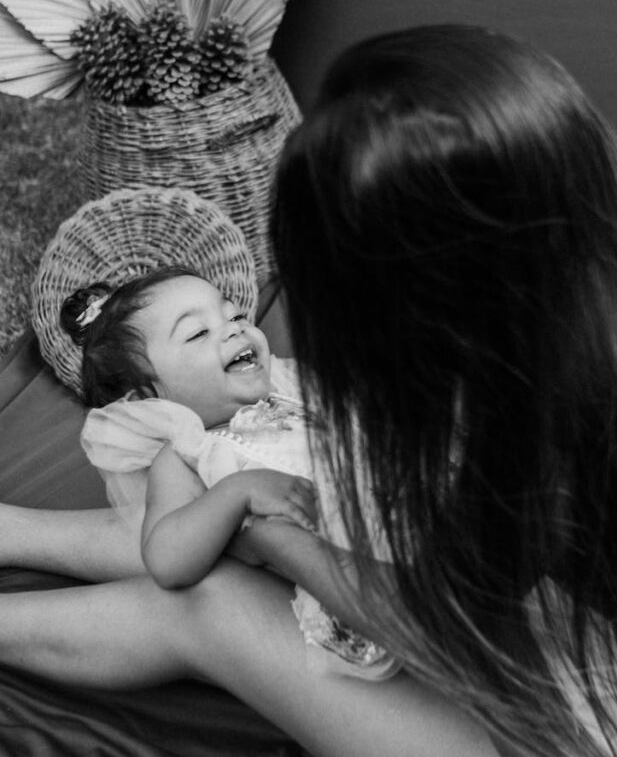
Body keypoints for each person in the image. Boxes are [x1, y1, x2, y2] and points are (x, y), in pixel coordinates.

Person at [0, 24, 617, 757]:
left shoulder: (530, 439)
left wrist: (280, 543)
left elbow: (462, 646)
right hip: (609, 667)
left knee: (206, 593)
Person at [60, 265, 398, 679]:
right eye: (198, 333)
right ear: (147, 397)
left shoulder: (288, 392)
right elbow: (166, 559)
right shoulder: (187, 453)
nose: (235, 330)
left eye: (235, 316)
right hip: (352, 581)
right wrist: (236, 493)